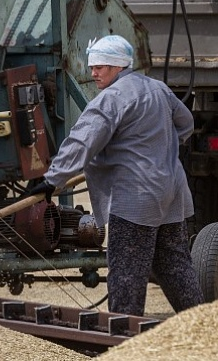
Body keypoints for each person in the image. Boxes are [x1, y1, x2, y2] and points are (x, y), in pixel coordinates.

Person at [28, 35, 204, 316]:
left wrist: (53, 180)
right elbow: (186, 123)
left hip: (136, 198)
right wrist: (160, 150)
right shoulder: (157, 89)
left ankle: (123, 339)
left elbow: (82, 141)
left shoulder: (113, 98)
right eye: (92, 66)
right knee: (174, 265)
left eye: (101, 67)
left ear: (119, 67)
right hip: (172, 193)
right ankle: (205, 328)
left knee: (126, 272)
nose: (94, 73)